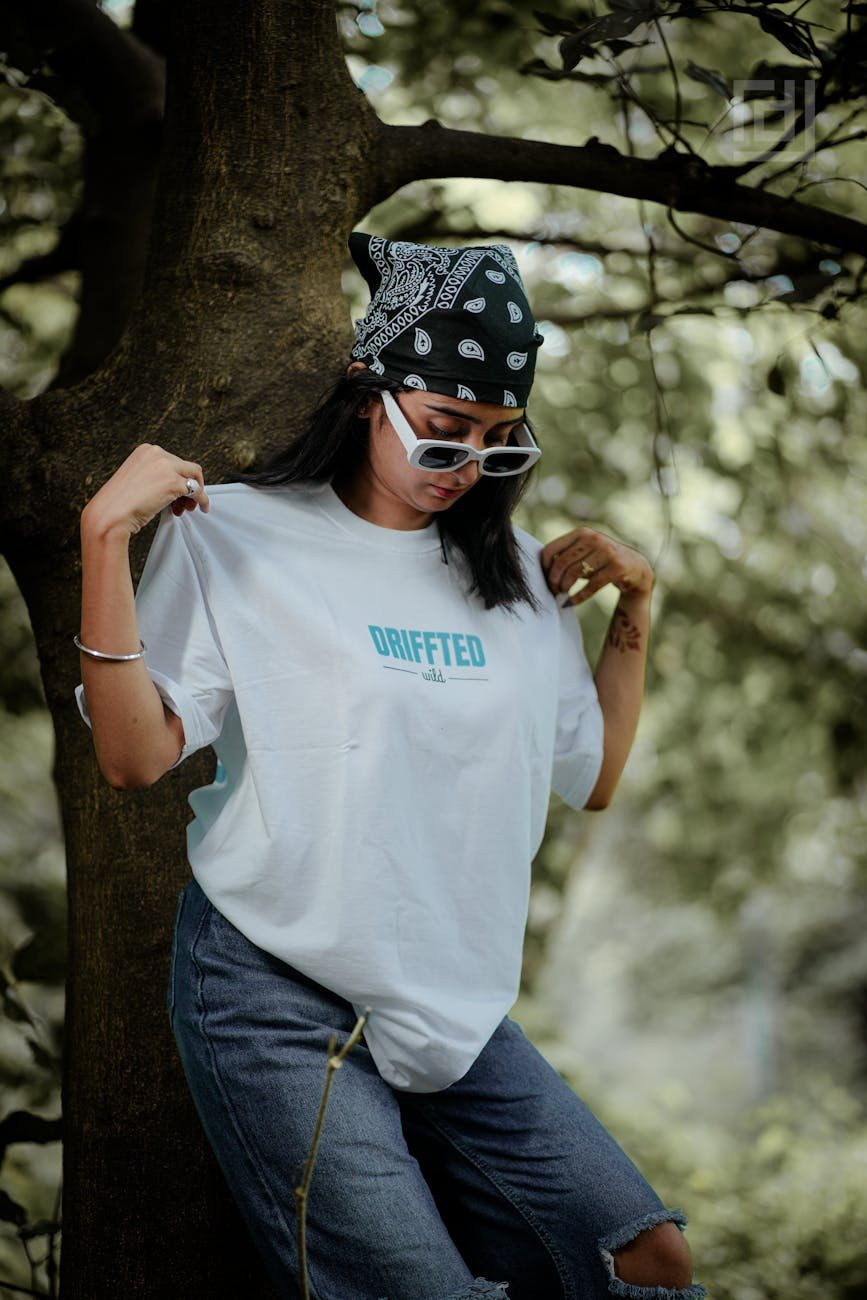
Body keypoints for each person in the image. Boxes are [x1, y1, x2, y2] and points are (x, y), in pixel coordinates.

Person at [76, 234, 705, 1300]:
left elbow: (588, 775)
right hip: (273, 989)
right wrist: (102, 537)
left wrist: (635, 613)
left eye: (503, 443)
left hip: (447, 1006)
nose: (469, 468)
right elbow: (136, 759)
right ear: (372, 392)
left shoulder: (512, 575)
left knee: (643, 1260)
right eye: (447, 432)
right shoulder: (236, 536)